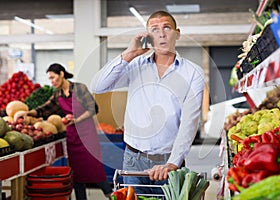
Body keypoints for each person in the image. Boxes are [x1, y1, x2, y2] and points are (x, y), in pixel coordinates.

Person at [91, 10, 205, 195]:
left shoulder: (193, 73)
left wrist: (173, 163)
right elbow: (98, 86)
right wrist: (129, 54)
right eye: (154, 29)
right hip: (132, 159)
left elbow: (189, 122)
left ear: (177, 33)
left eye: (167, 27)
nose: (161, 33)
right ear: (149, 36)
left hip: (169, 161)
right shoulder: (135, 65)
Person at [15, 63, 112, 199]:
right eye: (49, 79)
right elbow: (44, 109)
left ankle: (113, 195)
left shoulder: (79, 88)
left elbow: (93, 109)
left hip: (87, 135)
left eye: (53, 77)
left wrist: (77, 119)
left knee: (94, 168)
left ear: (61, 74)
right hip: (72, 137)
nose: (52, 81)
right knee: (77, 173)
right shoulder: (57, 95)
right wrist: (27, 112)